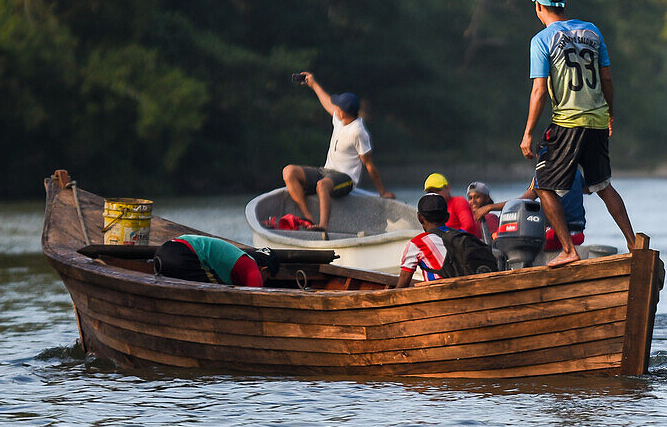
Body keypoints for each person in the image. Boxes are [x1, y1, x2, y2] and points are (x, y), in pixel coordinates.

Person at [520, 0, 636, 267]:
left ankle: (568, 250)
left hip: (567, 122)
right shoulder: (592, 31)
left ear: (538, 7)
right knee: (602, 184)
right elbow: (607, 78)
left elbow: (539, 90)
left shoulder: (542, 40)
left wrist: (528, 134)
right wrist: (609, 114)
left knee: (544, 186)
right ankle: (634, 245)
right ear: (563, 5)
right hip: (597, 121)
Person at [283, 72, 395, 237]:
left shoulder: (358, 132)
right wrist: (312, 83)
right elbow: (326, 101)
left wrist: (382, 192)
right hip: (326, 171)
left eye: (338, 107)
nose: (335, 108)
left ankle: (323, 225)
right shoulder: (340, 119)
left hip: (346, 178)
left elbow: (369, 165)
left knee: (322, 186)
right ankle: (308, 219)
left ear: (344, 112)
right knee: (289, 171)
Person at [473, 170, 587, 251]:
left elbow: (524, 200)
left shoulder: (544, 170)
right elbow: (588, 190)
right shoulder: (575, 170)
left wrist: (489, 207)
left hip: (555, 237)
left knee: (499, 239)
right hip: (578, 234)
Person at [154, 235, 278, 286]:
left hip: (163, 251)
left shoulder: (236, 257)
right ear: (264, 269)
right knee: (219, 291)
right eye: (267, 277)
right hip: (184, 256)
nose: (264, 282)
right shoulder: (251, 267)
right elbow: (256, 299)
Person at [396, 193, 452, 287]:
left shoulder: (417, 243)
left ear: (419, 218)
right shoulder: (463, 235)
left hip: (437, 295)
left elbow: (404, 278)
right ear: (447, 217)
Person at [466, 181, 500, 245]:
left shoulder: (490, 217)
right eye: (470, 198)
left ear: (487, 199)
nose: (473, 201)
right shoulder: (466, 218)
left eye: (477, 197)